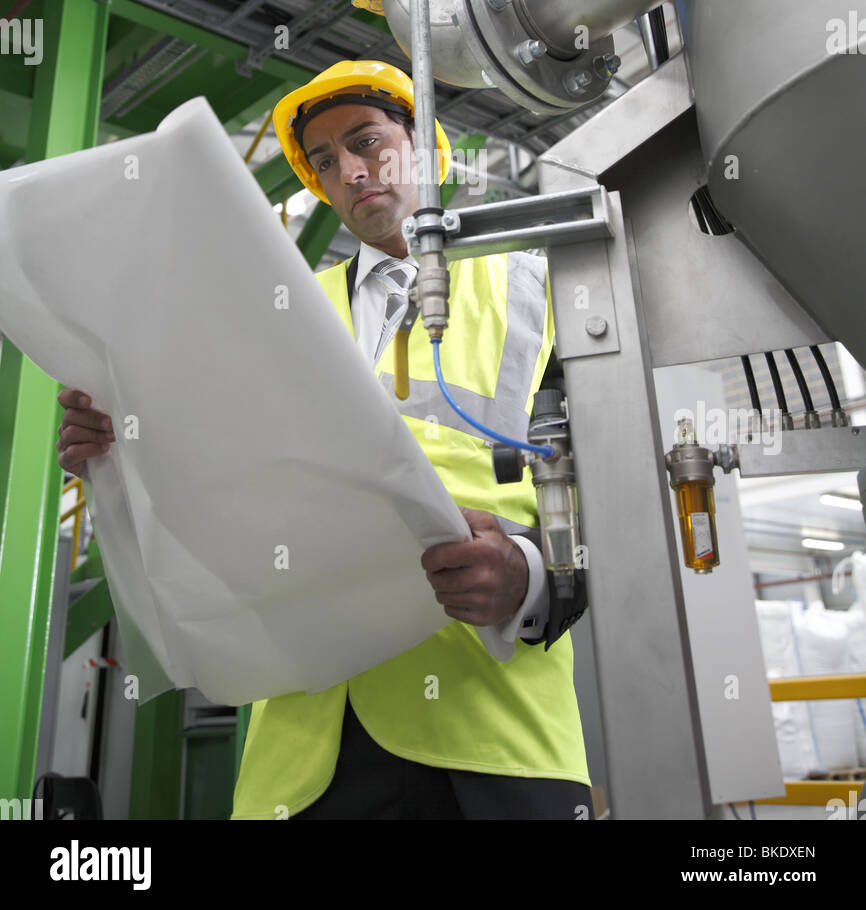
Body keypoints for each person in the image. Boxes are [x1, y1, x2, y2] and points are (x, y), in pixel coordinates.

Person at [56, 60, 593, 821]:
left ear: (425, 144)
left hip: (491, 736)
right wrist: (124, 444)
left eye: (366, 141)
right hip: (303, 763)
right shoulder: (278, 316)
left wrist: (532, 578)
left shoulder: (546, 293)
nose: (349, 170)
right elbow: (215, 487)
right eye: (325, 161)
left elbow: (624, 501)